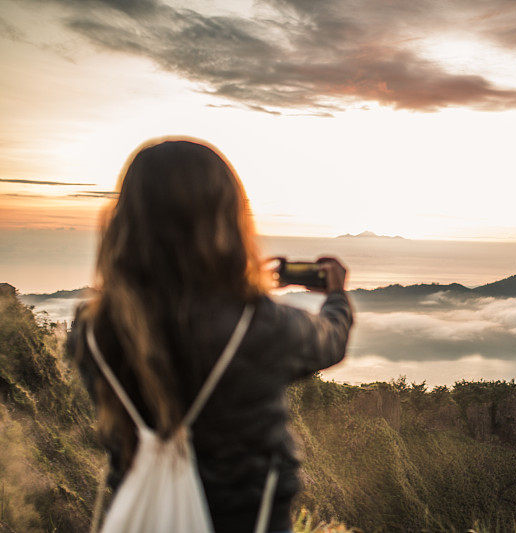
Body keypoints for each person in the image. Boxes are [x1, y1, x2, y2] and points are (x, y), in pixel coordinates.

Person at [66, 138, 353, 532]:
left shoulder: (93, 328)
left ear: (127, 220)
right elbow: (330, 340)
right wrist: (336, 295)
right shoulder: (257, 326)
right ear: (228, 220)